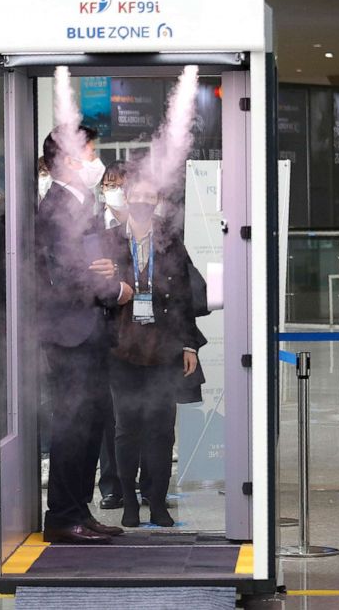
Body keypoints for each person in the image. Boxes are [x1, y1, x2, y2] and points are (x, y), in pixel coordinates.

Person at [36, 124, 133, 544]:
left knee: (92, 424)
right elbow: (64, 275)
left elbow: (89, 263)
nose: (96, 159)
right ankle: (61, 516)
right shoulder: (56, 206)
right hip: (69, 334)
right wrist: (115, 290)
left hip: (91, 330)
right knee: (72, 425)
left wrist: (107, 271)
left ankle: (80, 509)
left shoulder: (83, 202)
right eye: (90, 151)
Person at [104, 172, 202, 528]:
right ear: (127, 198)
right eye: (138, 196)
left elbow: (185, 296)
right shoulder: (109, 241)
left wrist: (189, 343)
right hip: (122, 349)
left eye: (150, 196)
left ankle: (158, 502)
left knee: (162, 429)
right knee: (126, 428)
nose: (143, 202)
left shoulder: (170, 240)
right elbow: (95, 291)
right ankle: (129, 501)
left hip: (164, 350)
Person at [94, 160, 130, 511]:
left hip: (142, 331)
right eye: (109, 183)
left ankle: (148, 482)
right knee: (109, 413)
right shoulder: (92, 228)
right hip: (105, 328)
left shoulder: (147, 227)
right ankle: (111, 485)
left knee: (143, 410)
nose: (113, 189)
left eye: (119, 183)